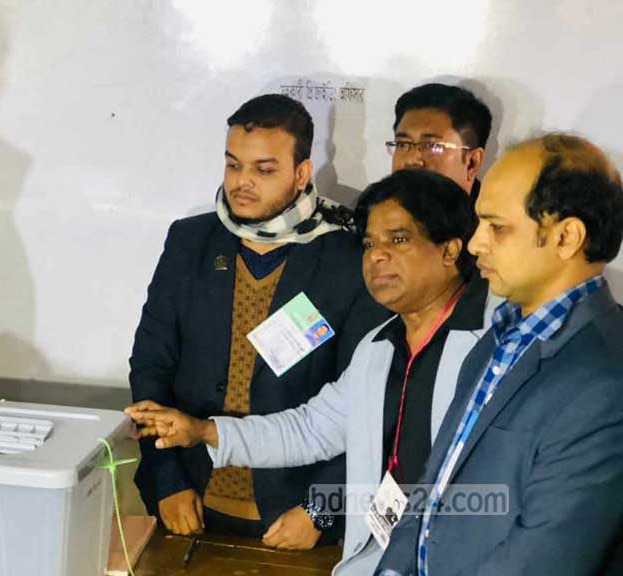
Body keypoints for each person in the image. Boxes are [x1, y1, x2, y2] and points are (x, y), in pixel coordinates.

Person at [128, 169, 498, 575]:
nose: (376, 256)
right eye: (370, 243)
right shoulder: (379, 347)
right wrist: (203, 431)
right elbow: (311, 430)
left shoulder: (494, 345)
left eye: (398, 240)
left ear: (449, 251)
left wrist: (319, 510)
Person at [129, 93, 390, 548]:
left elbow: (367, 405)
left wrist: (321, 510)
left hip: (293, 518)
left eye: (264, 170)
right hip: (189, 500)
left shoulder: (347, 259)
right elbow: (150, 367)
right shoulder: (189, 242)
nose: (242, 182)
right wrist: (167, 478)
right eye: (233, 165)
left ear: (301, 173)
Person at [376, 134, 623, 576]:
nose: (474, 244)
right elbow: (433, 485)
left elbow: (545, 557)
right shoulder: (498, 337)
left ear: (567, 236)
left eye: (497, 227)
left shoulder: (606, 379)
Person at [387, 83, 492, 196]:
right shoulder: (372, 209)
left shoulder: (494, 211)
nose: (411, 160)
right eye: (402, 144)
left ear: (472, 163)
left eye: (431, 146)